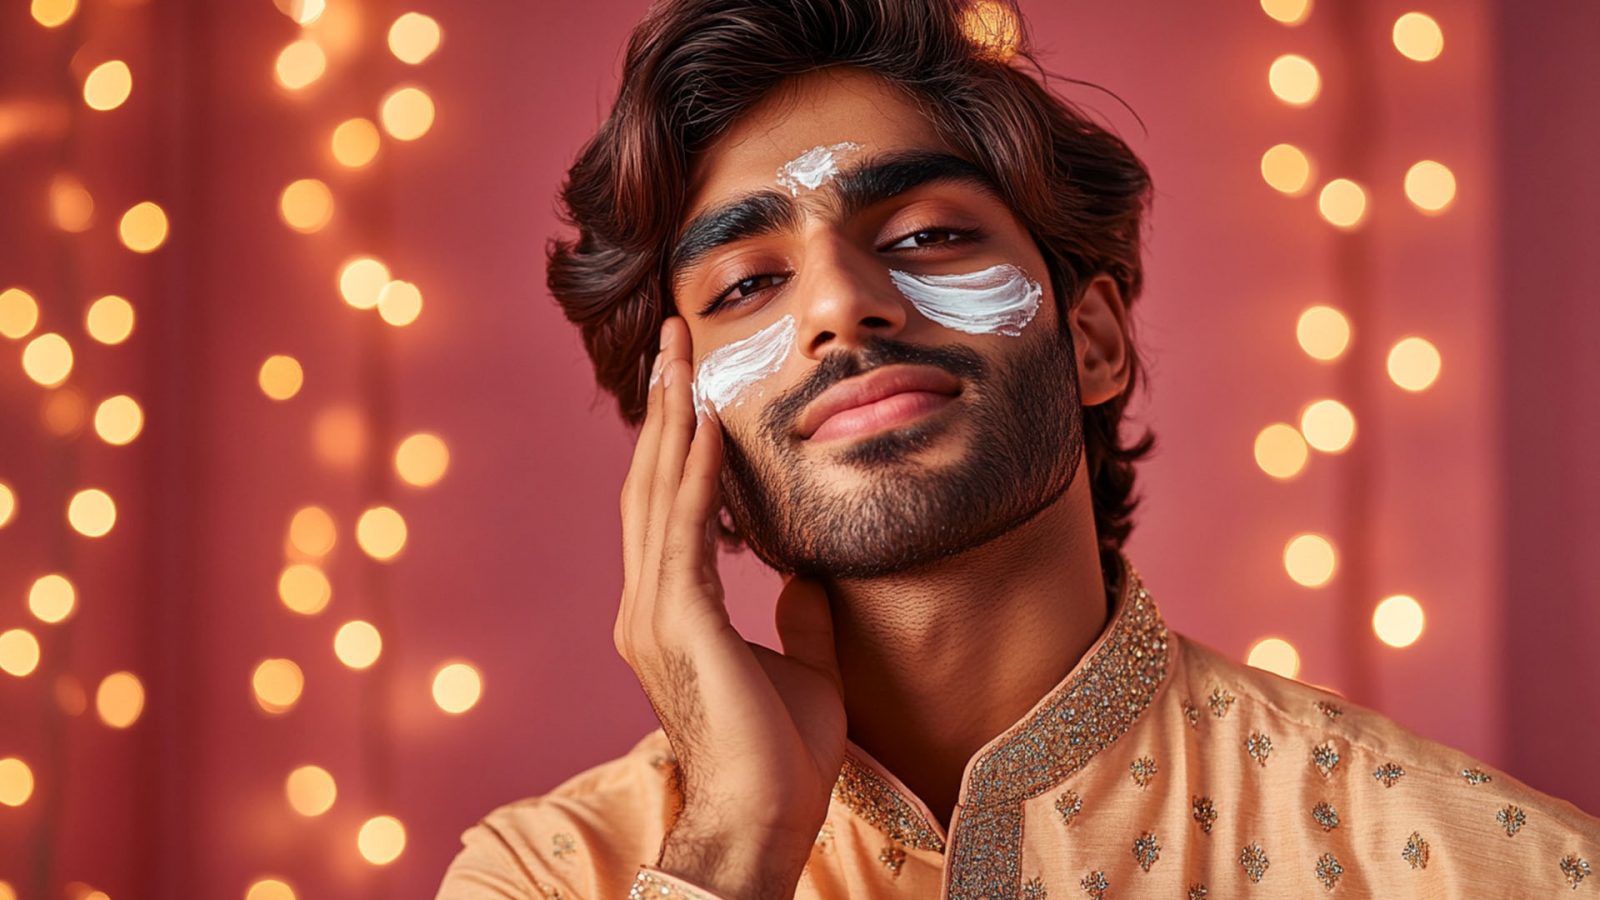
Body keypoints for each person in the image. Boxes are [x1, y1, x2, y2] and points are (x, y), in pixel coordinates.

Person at [435, 0, 1600, 896]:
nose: (840, 303)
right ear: (689, 437)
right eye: (748, 284)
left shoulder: (1472, 866)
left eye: (929, 233)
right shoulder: (552, 871)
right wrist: (735, 833)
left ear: (1091, 342)